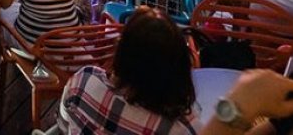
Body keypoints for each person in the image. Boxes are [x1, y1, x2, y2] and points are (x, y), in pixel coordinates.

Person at [59, 7, 199, 134]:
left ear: (122, 52)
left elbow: (64, 123)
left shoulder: (83, 81)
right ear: (178, 68)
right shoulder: (180, 129)